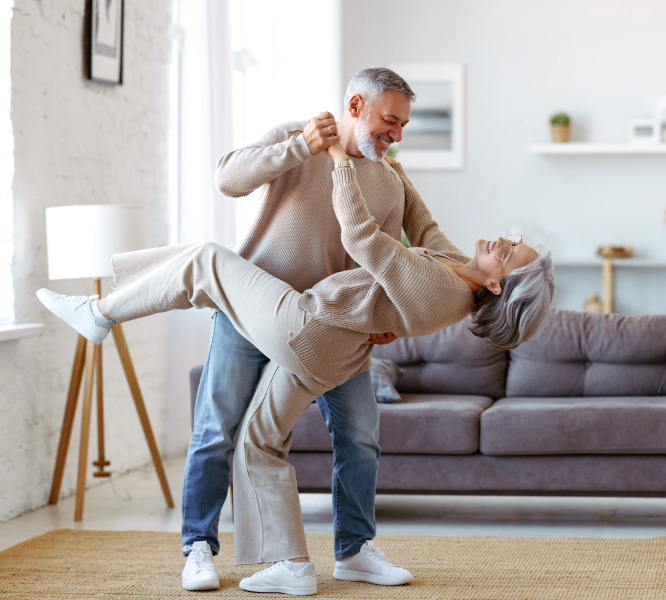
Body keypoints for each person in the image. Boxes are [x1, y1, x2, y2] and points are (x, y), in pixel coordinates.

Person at [37, 140, 555, 595]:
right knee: (258, 439)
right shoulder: (456, 269)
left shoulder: (440, 289)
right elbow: (425, 224)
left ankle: (100, 312)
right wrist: (394, 171)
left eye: (509, 254)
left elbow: (363, 240)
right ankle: (295, 564)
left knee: (207, 261)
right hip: (335, 346)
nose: (501, 242)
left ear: (496, 286)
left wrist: (336, 159)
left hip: (305, 326)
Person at [176, 67, 462, 591]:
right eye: (389, 121)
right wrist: (300, 147)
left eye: (402, 126)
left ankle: (354, 550)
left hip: (332, 330)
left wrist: (395, 314)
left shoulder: (391, 177)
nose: (396, 135)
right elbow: (226, 179)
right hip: (250, 314)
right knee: (216, 429)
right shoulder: (297, 136)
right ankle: (199, 547)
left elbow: (417, 255)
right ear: (355, 106)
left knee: (359, 435)